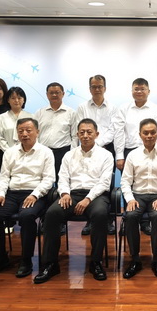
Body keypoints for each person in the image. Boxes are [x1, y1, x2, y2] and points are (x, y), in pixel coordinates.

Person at [34, 118, 113, 284]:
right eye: (82, 132)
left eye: (89, 132)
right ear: (77, 134)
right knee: (52, 213)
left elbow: (104, 182)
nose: (85, 135)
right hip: (72, 195)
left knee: (100, 214)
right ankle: (50, 264)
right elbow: (62, 177)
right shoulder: (69, 155)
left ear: (97, 134)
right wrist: (64, 193)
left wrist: (88, 199)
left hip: (96, 195)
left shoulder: (106, 155)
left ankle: (96, 262)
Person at [0, 118, 55, 278]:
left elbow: (49, 179)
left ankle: (26, 260)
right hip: (11, 193)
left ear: (37, 132)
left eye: (28, 130)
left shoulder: (46, 152)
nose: (24, 134)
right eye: (21, 131)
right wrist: (0, 194)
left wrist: (35, 194)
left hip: (34, 193)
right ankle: (0, 259)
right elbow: (3, 176)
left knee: (27, 216)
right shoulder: (10, 152)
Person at [121, 119, 157, 280]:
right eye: (146, 133)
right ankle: (135, 260)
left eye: (153, 132)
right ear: (140, 134)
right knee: (131, 216)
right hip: (137, 196)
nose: (149, 136)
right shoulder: (132, 155)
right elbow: (125, 181)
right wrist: (130, 199)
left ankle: (156, 260)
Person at [76, 74, 117, 236]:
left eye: (100, 86)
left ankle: (108, 220)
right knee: (89, 180)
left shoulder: (113, 108)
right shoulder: (82, 107)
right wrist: (91, 144)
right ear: (90, 89)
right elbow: (80, 127)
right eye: (94, 86)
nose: (97, 89)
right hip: (86, 149)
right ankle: (90, 220)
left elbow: (113, 129)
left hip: (107, 148)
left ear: (105, 88)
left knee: (107, 185)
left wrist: (97, 144)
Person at [114, 78, 157, 172]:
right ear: (132, 91)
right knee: (128, 180)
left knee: (151, 179)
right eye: (136, 89)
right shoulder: (123, 109)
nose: (139, 92)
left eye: (142, 89)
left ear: (148, 91)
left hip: (150, 151)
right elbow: (118, 133)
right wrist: (120, 156)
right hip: (129, 151)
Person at [35, 82, 77, 177]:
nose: (54, 95)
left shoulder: (71, 113)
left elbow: (75, 136)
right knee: (44, 180)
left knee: (62, 181)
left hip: (63, 152)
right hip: (43, 152)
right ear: (47, 95)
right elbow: (35, 134)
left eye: (57, 92)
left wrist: (72, 154)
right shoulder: (40, 112)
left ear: (63, 94)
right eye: (51, 93)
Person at [0, 86, 33, 154]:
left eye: (19, 98)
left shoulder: (30, 117)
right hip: (7, 153)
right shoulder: (2, 117)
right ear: (8, 100)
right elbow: (0, 137)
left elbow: (34, 136)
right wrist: (9, 152)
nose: (16, 100)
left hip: (27, 153)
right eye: (13, 98)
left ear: (24, 100)